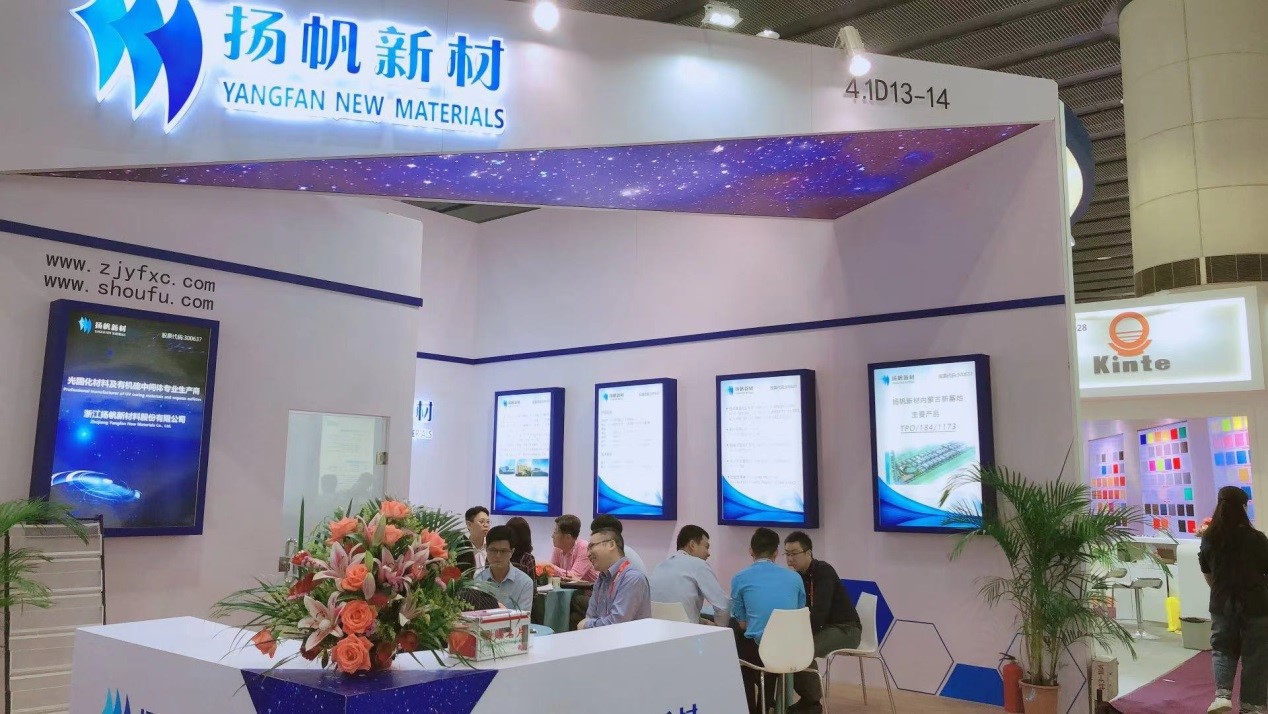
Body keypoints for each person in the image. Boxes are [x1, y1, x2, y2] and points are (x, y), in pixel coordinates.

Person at [1200, 485, 1268, 714]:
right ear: (1243, 508)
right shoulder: (1257, 539)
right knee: (1256, 656)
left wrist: (1221, 590)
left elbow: (1207, 572)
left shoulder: (1209, 538)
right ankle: (1252, 707)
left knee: (1222, 649)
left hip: (1222, 604)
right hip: (1256, 605)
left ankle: (1222, 696)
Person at [783, 531, 861, 713]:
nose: (790, 559)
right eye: (787, 554)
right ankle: (803, 700)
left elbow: (819, 612)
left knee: (801, 651)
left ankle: (812, 703)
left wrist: (800, 636)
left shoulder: (823, 571)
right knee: (789, 648)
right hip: (824, 628)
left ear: (809, 553)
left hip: (846, 629)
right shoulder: (798, 577)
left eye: (794, 554)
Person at [731, 528, 806, 714]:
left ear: (751, 551)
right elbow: (799, 615)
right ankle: (767, 704)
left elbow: (742, 624)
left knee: (739, 636)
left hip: (761, 652)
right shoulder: (795, 578)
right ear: (775, 552)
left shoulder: (740, 578)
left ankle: (750, 708)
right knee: (772, 641)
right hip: (791, 650)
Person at [650, 524, 730, 626]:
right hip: (688, 632)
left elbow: (675, 612)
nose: (708, 553)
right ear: (692, 545)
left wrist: (702, 621)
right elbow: (722, 607)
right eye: (706, 547)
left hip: (658, 630)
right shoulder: (699, 565)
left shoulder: (659, 566)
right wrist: (720, 629)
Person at [579, 527, 650, 629]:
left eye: (591, 546)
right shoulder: (601, 579)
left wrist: (587, 625)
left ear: (611, 545)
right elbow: (590, 617)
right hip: (601, 636)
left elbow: (617, 624)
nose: (588, 554)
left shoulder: (632, 578)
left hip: (628, 638)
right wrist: (587, 625)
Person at [474, 525, 535, 612]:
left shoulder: (525, 583)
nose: (498, 556)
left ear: (512, 552)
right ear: (486, 549)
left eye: (503, 551)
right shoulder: (478, 580)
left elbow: (523, 617)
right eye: (493, 550)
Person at [550, 514, 598, 583]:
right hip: (572, 588)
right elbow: (552, 573)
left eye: (555, 532)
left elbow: (573, 577)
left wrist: (550, 567)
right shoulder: (558, 548)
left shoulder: (584, 548)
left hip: (591, 588)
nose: (552, 536)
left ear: (568, 537)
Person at [456, 506, 491, 574]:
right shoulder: (461, 549)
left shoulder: (491, 547)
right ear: (469, 525)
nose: (486, 525)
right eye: (481, 522)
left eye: (488, 522)